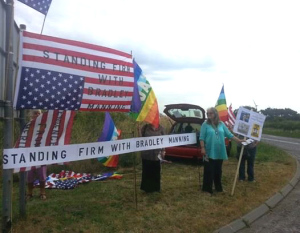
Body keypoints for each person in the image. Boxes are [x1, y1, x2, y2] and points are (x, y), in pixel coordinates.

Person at [200, 107, 244, 195]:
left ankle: (218, 188)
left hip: (219, 151)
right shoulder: (205, 124)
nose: (208, 115)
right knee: (209, 170)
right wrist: (202, 148)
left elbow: (229, 134)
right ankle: (207, 189)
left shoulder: (221, 124)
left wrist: (238, 140)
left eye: (210, 113)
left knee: (218, 170)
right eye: (207, 113)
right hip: (209, 151)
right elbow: (201, 138)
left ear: (215, 114)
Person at [26, 109, 48, 200]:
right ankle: (29, 193)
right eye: (36, 113)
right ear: (31, 115)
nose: (38, 115)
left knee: (42, 174)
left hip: (41, 154)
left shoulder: (45, 125)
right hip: (30, 154)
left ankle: (42, 192)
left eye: (39, 113)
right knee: (29, 175)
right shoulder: (28, 125)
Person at [140, 123, 166, 193]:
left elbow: (164, 140)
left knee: (156, 170)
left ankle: (156, 188)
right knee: (147, 171)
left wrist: (163, 150)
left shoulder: (161, 128)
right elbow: (140, 139)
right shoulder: (145, 127)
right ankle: (147, 188)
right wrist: (138, 131)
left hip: (157, 154)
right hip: (147, 154)